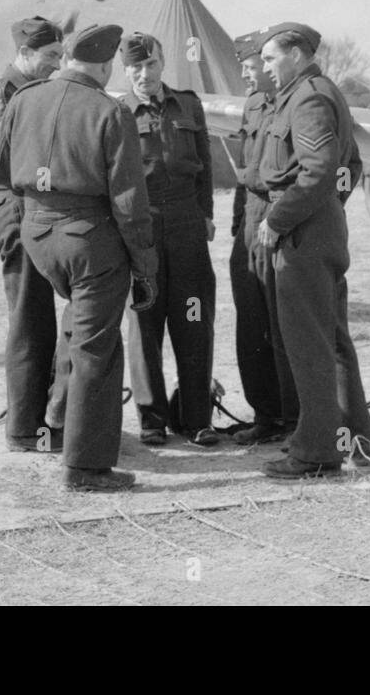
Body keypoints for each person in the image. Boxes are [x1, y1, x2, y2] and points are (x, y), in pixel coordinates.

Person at [0, 24, 157, 492]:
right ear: (104, 66)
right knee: (95, 350)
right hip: (89, 241)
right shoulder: (110, 110)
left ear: (68, 60)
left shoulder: (24, 99)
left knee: (37, 325)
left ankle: (28, 429)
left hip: (37, 235)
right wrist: (144, 266)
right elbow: (128, 201)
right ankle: (86, 467)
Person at [249, 22, 370, 479]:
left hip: (301, 236)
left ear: (297, 55)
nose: (264, 67)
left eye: (269, 58)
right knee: (326, 339)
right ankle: (340, 435)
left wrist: (279, 218)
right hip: (316, 228)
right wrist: (328, 211)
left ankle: (316, 453)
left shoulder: (309, 98)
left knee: (308, 348)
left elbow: (321, 170)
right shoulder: (317, 93)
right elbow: (350, 164)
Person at [0, 15, 67, 452]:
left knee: (40, 319)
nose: (58, 62)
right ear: (25, 54)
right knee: (30, 319)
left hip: (36, 210)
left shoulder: (30, 92)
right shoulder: (1, 100)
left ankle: (32, 413)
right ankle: (25, 429)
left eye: (60, 55)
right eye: (50, 56)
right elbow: (12, 164)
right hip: (17, 211)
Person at [120, 32, 218, 447]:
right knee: (145, 322)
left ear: (163, 64)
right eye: (136, 67)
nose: (145, 74)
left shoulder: (189, 104)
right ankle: (152, 419)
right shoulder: (116, 112)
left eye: (152, 64)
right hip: (143, 228)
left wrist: (206, 213)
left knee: (194, 318)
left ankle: (196, 418)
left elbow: (205, 166)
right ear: (125, 70)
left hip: (186, 225)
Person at [229, 30, 299, 444]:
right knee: (251, 323)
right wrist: (240, 225)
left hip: (282, 217)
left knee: (284, 322)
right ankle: (265, 415)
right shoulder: (253, 105)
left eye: (251, 66)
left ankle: (295, 418)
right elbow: (242, 173)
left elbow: (341, 168)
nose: (246, 74)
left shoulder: (302, 102)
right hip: (251, 222)